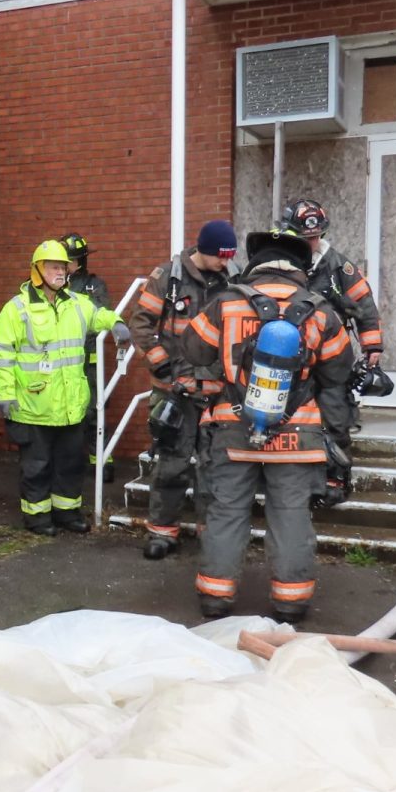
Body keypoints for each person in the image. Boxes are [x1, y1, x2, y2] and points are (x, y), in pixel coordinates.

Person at [179, 229, 355, 622]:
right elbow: (337, 376)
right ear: (298, 268)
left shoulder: (225, 303)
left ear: (256, 264)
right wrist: (339, 443)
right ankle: (291, 601)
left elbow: (192, 349)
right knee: (291, 515)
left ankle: (215, 597)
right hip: (298, 437)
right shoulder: (321, 310)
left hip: (233, 430)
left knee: (226, 511)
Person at [0, 239, 129, 535]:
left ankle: (67, 513)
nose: (61, 272)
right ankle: (38, 518)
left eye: (64, 267)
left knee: (70, 463)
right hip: (33, 406)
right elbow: (1, 356)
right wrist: (5, 394)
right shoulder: (16, 310)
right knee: (37, 466)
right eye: (54, 266)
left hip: (70, 405)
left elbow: (99, 314)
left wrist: (116, 322)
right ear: (37, 270)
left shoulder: (77, 304)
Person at [128, 219, 237, 560]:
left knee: (213, 465)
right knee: (172, 464)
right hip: (172, 389)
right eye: (221, 256)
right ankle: (162, 533)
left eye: (230, 256)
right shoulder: (167, 278)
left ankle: (212, 534)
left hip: (215, 392)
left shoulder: (231, 282)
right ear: (204, 251)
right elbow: (140, 322)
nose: (226, 262)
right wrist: (159, 362)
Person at [281, 199, 384, 365]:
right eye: (304, 238)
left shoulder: (338, 266)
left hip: (330, 353)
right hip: (286, 351)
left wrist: (372, 346)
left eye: (314, 237)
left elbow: (364, 302)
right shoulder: (277, 264)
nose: (310, 243)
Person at [60, 233, 116, 482]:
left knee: (94, 410)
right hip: (62, 359)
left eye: (67, 261)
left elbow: (99, 316)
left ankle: (102, 461)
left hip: (89, 359)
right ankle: (70, 462)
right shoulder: (55, 284)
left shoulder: (94, 285)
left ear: (78, 261)